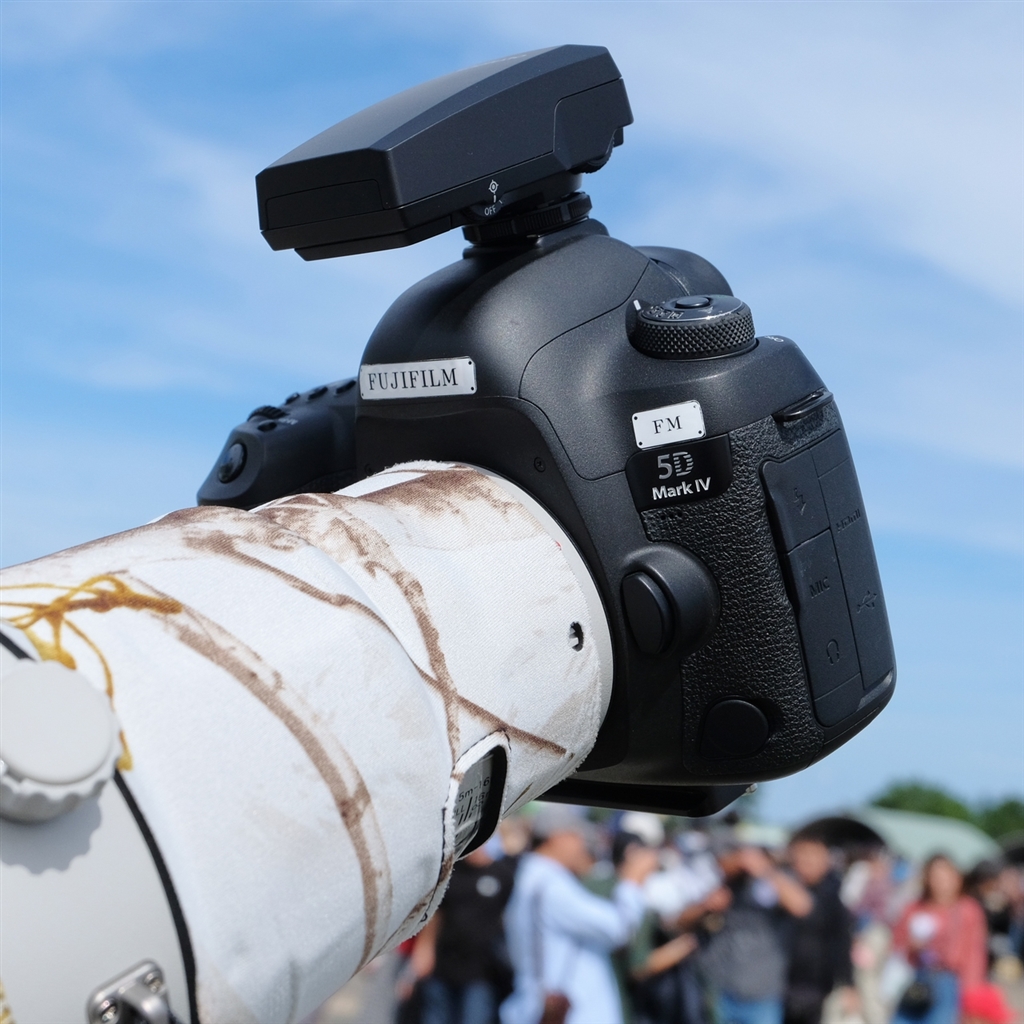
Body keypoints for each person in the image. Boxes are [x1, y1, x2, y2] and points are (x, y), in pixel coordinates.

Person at [501, 805, 658, 1024]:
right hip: (567, 1015)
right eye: (578, 835)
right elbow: (619, 927)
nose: (583, 845)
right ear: (558, 836)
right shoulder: (548, 885)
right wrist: (632, 882)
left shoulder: (539, 879)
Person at [695, 836, 813, 1024]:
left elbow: (801, 906)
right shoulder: (724, 884)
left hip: (762, 993)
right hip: (719, 988)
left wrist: (764, 870)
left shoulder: (779, 879)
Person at [407, 838, 517, 1024]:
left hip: (481, 971)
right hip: (443, 964)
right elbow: (436, 917)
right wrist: (424, 952)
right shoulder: (453, 873)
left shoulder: (502, 875)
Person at [890, 854, 988, 1024]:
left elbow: (974, 957)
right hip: (917, 979)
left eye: (945, 876)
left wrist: (970, 1001)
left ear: (957, 878)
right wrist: (912, 945)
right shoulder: (916, 907)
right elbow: (897, 942)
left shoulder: (967, 910)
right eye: (935, 877)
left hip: (949, 982)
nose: (940, 882)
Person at [784, 837, 857, 1024]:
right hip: (778, 984)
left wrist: (849, 984)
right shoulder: (782, 889)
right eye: (802, 855)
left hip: (816, 985)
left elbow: (843, 942)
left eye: (813, 855)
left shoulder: (834, 898)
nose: (806, 861)